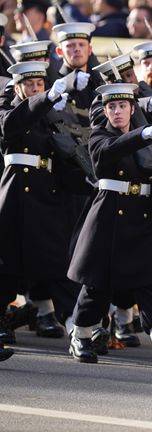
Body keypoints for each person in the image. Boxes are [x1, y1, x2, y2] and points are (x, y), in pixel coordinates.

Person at [66, 82, 152, 367]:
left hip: (142, 216)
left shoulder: (147, 142)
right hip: (109, 218)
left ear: (132, 109)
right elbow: (110, 152)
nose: (117, 111)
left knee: (149, 282)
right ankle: (81, 335)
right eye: (111, 107)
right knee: (97, 286)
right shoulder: (100, 137)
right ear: (105, 111)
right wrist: (142, 134)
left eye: (122, 106)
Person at [0, 62, 76, 344]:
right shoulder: (8, 109)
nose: (35, 89)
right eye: (29, 85)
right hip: (15, 194)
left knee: (56, 263)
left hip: (46, 195)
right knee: (6, 265)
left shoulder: (51, 114)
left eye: (40, 85)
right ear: (17, 86)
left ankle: (76, 327)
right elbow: (11, 126)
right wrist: (45, 99)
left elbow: (64, 155)